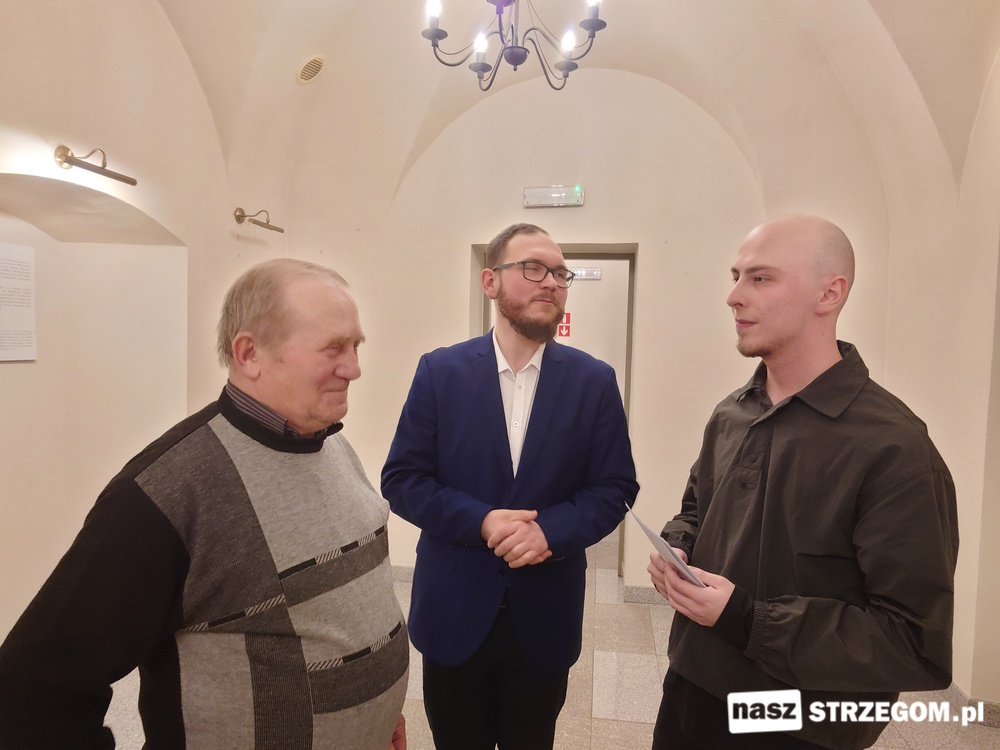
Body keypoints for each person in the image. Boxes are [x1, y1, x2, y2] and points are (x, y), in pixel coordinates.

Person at [0, 258, 408, 750]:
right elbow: (34, 689)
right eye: (334, 348)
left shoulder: (330, 444)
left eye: (356, 345)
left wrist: (379, 710)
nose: (354, 368)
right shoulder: (167, 491)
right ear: (250, 353)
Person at [648, 214, 958, 750]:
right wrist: (678, 547)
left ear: (829, 293)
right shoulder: (732, 414)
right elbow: (697, 508)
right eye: (736, 276)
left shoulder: (894, 448)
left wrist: (748, 619)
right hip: (691, 683)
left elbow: (912, 642)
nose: (733, 296)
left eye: (761, 278)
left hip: (796, 720)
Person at [382, 223, 639, 749]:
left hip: (545, 615)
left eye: (560, 273)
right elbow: (403, 479)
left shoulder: (594, 381)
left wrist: (550, 531)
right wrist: (481, 521)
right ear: (490, 282)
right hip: (454, 611)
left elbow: (615, 486)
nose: (551, 282)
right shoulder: (440, 372)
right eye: (533, 268)